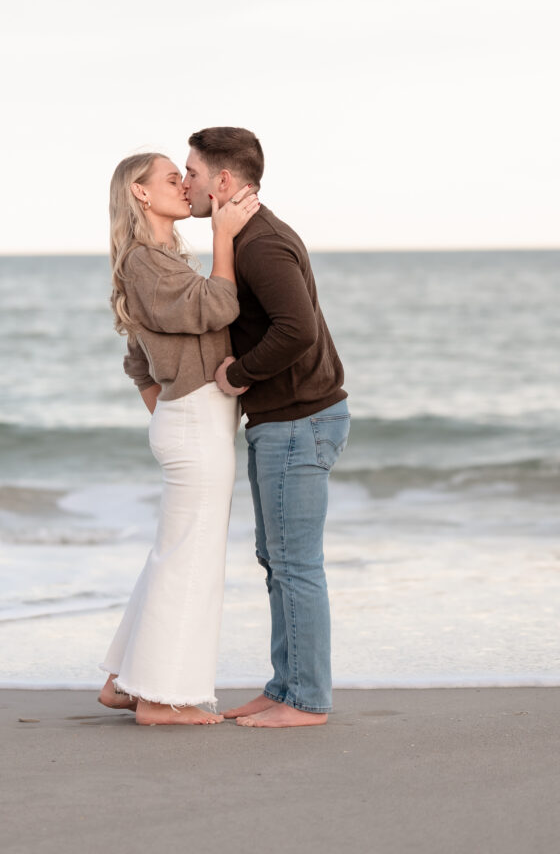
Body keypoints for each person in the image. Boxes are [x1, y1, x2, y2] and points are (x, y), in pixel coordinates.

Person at [182, 127, 350, 728]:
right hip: (288, 421)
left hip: (299, 421)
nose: (187, 183)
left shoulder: (260, 243)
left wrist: (238, 375)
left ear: (224, 181)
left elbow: (297, 329)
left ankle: (306, 700)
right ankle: (286, 687)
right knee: (277, 560)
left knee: (295, 563)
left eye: (193, 173)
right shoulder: (248, 235)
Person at [98, 151, 260, 725]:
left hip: (190, 417)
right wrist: (225, 236)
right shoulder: (146, 262)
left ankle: (125, 680)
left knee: (175, 553)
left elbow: (138, 363)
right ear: (141, 194)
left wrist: (170, 406)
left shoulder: (158, 259)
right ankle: (160, 700)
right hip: (194, 420)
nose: (183, 185)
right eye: (171, 178)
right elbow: (217, 305)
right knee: (190, 561)